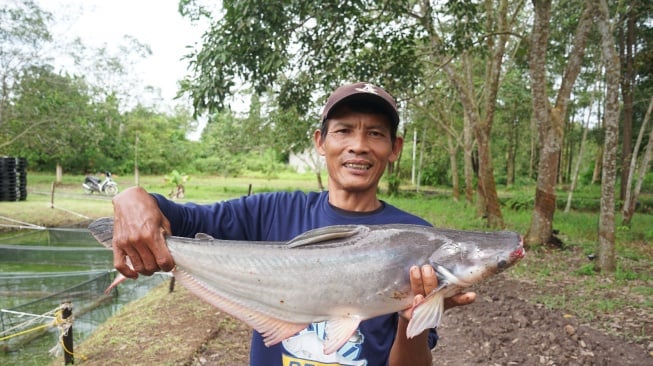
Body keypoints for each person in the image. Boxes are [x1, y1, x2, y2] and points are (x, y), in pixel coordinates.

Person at [110, 82, 476, 366]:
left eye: (375, 134)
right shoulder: (270, 212)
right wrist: (133, 199)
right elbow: (184, 218)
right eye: (344, 130)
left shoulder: (417, 238)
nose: (359, 146)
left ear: (394, 148)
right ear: (321, 142)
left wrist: (413, 320)